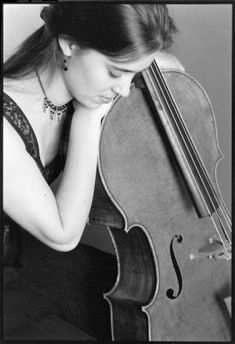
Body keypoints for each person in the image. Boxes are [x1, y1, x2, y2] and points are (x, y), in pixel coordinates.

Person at [3, 3, 178, 340]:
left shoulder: (80, 79)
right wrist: (87, 120)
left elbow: (172, 65)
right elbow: (63, 234)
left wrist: (137, 63)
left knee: (153, 310)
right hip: (10, 288)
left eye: (133, 73)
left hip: (32, 264)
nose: (124, 89)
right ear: (69, 44)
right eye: (115, 72)